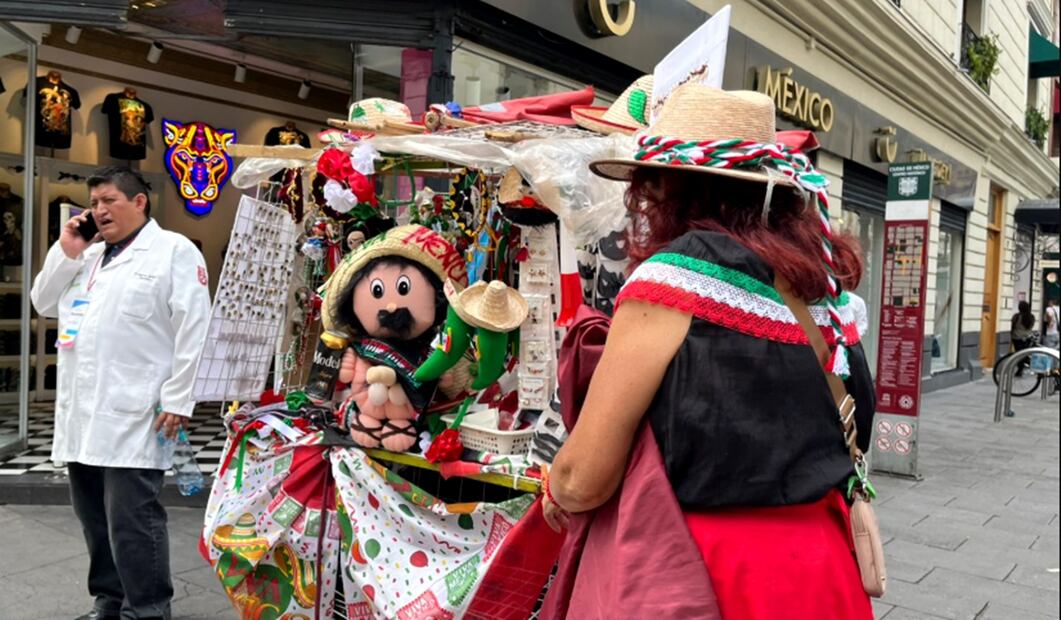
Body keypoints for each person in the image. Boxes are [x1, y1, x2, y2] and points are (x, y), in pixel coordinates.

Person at [542, 86, 876, 618]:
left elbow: (583, 478)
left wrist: (556, 490)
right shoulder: (824, 291)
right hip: (824, 569)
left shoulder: (676, 279)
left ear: (669, 187)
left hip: (708, 575)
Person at [30, 166, 211, 620]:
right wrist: (66, 251)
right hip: (83, 413)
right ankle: (108, 600)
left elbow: (195, 328)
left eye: (109, 200)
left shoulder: (173, 251)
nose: (98, 210)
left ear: (139, 202)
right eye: (93, 203)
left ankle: (146, 608)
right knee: (93, 516)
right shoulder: (86, 258)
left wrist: (179, 398)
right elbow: (43, 303)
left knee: (133, 519)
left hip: (137, 411)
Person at [1010, 301, 1038, 375]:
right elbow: (1031, 327)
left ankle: (1021, 367)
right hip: (1027, 337)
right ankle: (1024, 365)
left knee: (1018, 353)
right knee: (1024, 353)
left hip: (1017, 337)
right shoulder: (1031, 317)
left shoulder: (1016, 316)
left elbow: (1013, 326)